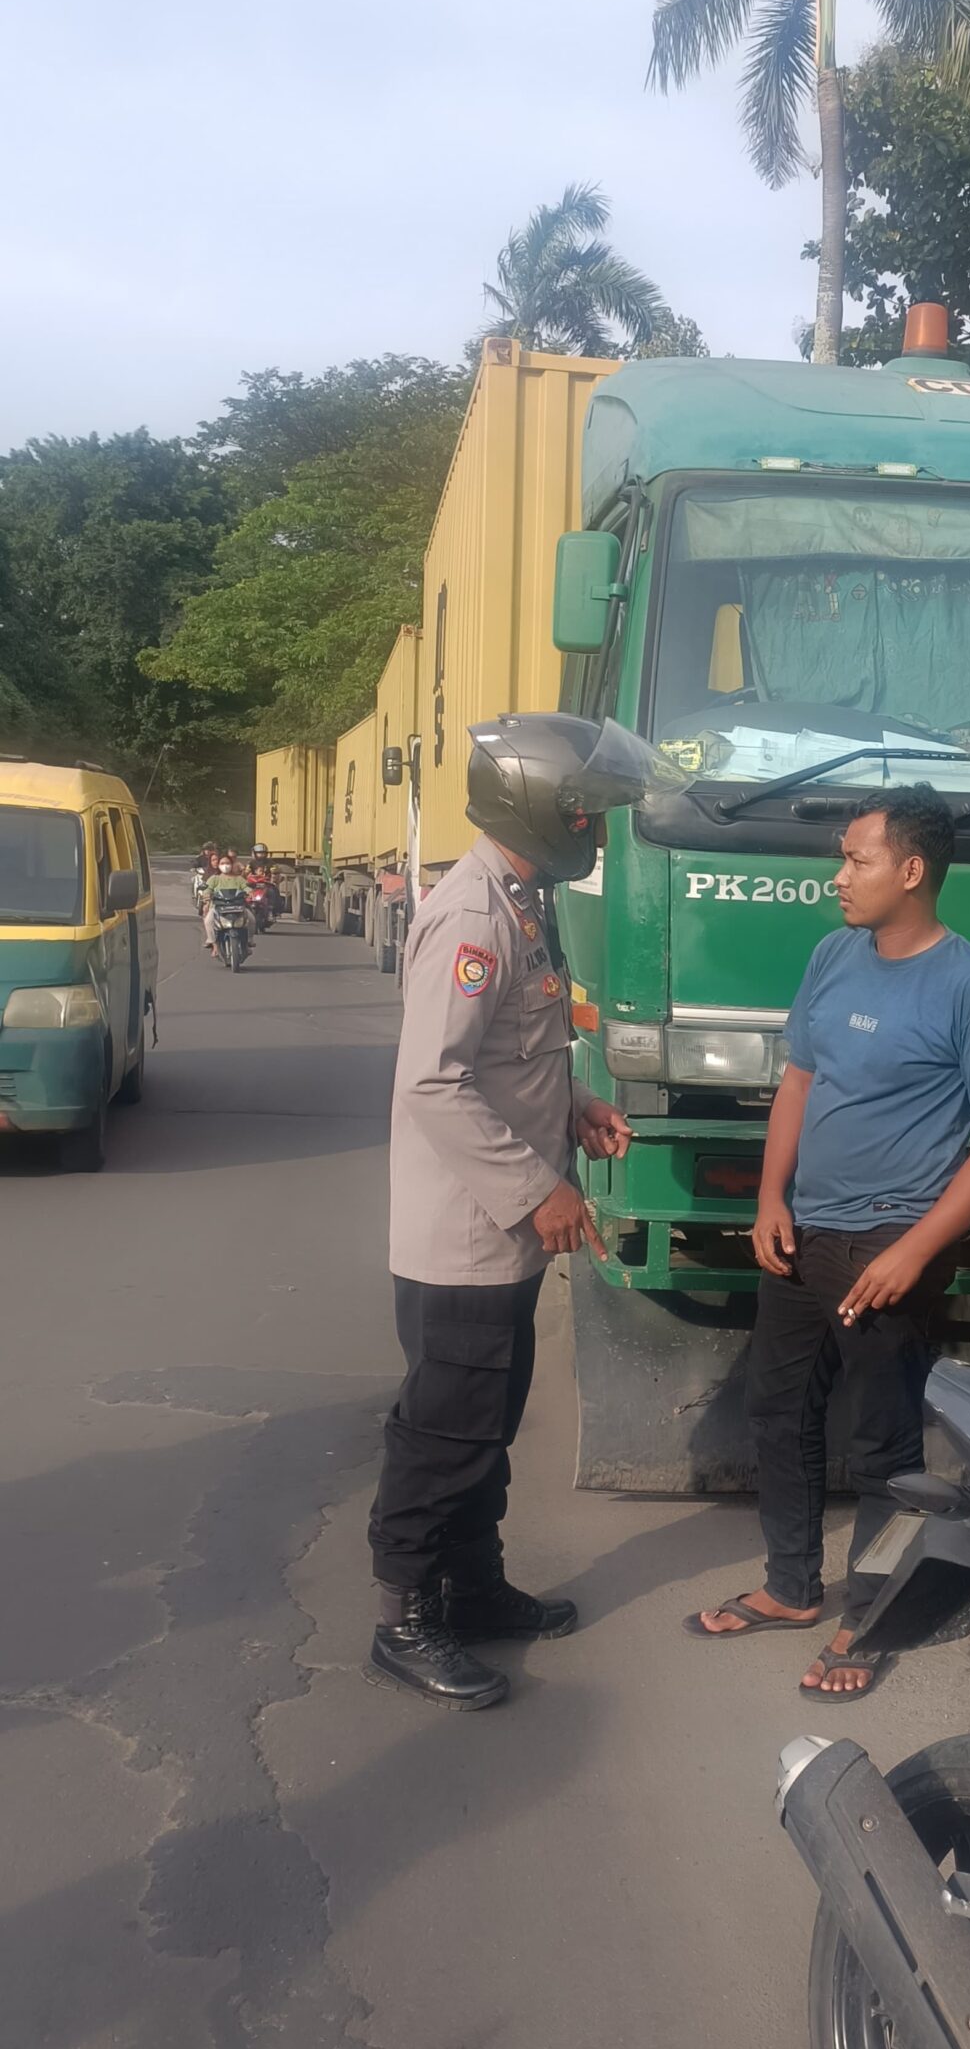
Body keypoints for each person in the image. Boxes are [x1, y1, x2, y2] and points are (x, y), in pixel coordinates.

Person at [688, 786, 970, 1700]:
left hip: (889, 1242)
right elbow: (799, 1080)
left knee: (884, 1443)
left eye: (857, 860)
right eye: (841, 858)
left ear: (911, 871)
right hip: (802, 1236)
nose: (837, 878)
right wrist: (769, 1198)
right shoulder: (834, 955)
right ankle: (792, 1587)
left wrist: (916, 1251)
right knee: (779, 1412)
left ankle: (869, 1616)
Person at [366, 712, 680, 1710]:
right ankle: (404, 1616)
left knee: (488, 1423)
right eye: (585, 810)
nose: (595, 828)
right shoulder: (472, 919)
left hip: (497, 1238)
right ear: (539, 809)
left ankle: (472, 1585)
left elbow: (510, 1059)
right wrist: (536, 1186)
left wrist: (575, 1108)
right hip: (465, 1236)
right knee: (444, 1431)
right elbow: (433, 1083)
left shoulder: (521, 898)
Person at [202, 852, 252, 955]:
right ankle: (214, 944)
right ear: (219, 865)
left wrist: (250, 893)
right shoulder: (214, 879)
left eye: (228, 863)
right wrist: (206, 896)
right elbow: (207, 889)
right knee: (208, 921)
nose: (225, 865)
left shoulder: (239, 879)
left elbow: (246, 887)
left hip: (238, 907)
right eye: (222, 863)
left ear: (232, 864)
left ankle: (248, 942)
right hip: (218, 907)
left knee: (251, 919)